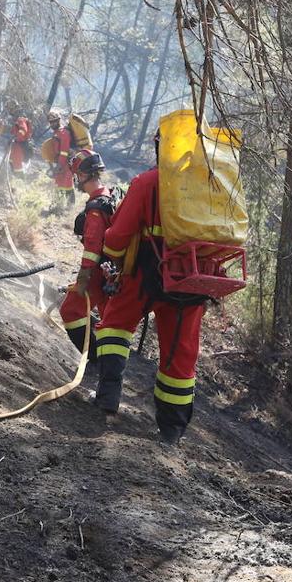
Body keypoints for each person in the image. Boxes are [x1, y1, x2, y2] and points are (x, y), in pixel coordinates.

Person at [91, 138, 209, 447]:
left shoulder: (148, 182)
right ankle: (172, 429)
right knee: (180, 352)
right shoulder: (212, 188)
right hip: (192, 281)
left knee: (115, 324)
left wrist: (112, 257)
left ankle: (108, 396)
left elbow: (117, 237)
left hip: (146, 273)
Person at [59, 149, 115, 364]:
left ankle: (94, 359)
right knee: (108, 321)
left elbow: (92, 247)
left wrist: (83, 279)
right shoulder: (108, 195)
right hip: (110, 272)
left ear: (83, 175)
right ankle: (105, 360)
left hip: (97, 273)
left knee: (71, 311)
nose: (76, 180)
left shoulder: (95, 209)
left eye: (77, 176)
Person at [47, 110, 74, 211]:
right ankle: (58, 205)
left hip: (66, 163)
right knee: (59, 184)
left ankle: (70, 207)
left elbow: (64, 152)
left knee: (67, 184)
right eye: (50, 122)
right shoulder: (57, 133)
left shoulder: (64, 133)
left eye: (54, 121)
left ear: (58, 121)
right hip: (60, 162)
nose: (52, 124)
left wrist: (59, 166)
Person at [6, 101, 33, 173]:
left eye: (10, 109)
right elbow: (14, 131)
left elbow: (23, 130)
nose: (9, 112)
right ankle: (12, 174)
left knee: (17, 163)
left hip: (20, 145)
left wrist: (15, 137)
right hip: (17, 144)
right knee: (11, 160)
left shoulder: (20, 119)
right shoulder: (17, 120)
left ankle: (19, 177)